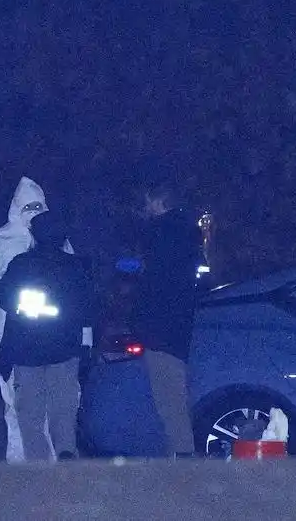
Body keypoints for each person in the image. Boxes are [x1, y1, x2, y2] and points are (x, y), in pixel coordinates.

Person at [0, 177, 63, 463]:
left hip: (52, 337)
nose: (33, 212)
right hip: (11, 338)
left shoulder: (56, 241)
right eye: (28, 207)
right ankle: (19, 464)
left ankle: (53, 466)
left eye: (38, 207)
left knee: (53, 407)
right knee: (17, 405)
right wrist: (5, 284)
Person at [0, 210, 96, 460]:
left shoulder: (20, 265)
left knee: (31, 419)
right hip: (64, 352)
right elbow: (88, 309)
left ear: (34, 235)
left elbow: (5, 298)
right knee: (64, 413)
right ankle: (65, 456)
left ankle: (39, 470)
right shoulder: (75, 267)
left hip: (26, 353)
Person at [128, 181, 203, 457]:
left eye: (149, 202)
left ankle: (182, 458)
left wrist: (139, 319)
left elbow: (151, 283)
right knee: (176, 394)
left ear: (159, 202)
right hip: (180, 323)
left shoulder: (158, 234)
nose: (146, 208)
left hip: (160, 327)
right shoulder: (189, 234)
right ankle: (180, 453)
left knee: (168, 397)